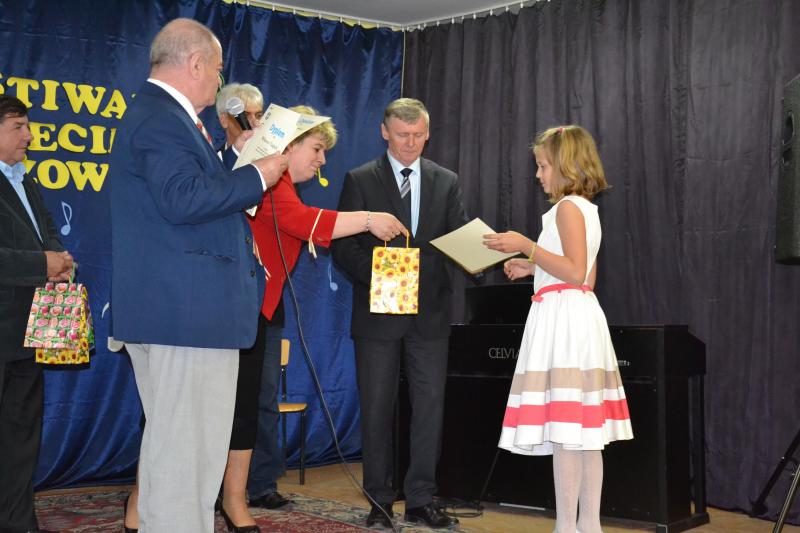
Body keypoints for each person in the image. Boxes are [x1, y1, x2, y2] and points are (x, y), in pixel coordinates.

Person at [109, 18, 287, 533]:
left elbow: (186, 197)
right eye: (217, 69)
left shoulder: (163, 116)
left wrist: (239, 166)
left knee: (180, 451)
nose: (218, 80)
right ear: (195, 64)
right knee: (187, 457)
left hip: (184, 313)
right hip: (186, 316)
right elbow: (184, 199)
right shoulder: (162, 118)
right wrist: (257, 176)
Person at [218, 104, 406, 531]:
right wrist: (369, 219)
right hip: (239, 309)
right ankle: (228, 497)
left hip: (260, 308)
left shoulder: (282, 183)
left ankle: (239, 494)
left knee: (250, 405)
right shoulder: (269, 181)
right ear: (289, 145)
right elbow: (303, 222)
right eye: (317, 149)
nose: (322, 160)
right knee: (239, 407)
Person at [483, 125, 633, 533]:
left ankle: (567, 527)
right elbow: (584, 277)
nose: (538, 175)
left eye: (543, 166)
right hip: (578, 314)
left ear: (566, 166)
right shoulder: (586, 209)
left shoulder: (567, 208)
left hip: (565, 324)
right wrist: (534, 267)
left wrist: (525, 245)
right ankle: (588, 526)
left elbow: (575, 270)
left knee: (568, 431)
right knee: (584, 435)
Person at [331, 98, 468, 529]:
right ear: (384, 132)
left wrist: (486, 253)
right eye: (402, 135)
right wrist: (382, 279)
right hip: (378, 314)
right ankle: (379, 501)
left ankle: (422, 500)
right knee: (376, 410)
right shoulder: (360, 179)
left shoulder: (446, 180)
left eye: (418, 135)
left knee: (429, 409)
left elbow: (458, 240)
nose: (410, 143)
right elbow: (342, 246)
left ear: (428, 134)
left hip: (430, 315)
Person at [0, 94, 71, 533]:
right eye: (18, 127)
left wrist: (61, 261)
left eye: (28, 126)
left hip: (30, 331)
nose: (29, 135)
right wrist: (42, 264)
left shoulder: (25, 181)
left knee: (21, 436)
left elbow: (48, 236)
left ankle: (18, 522)